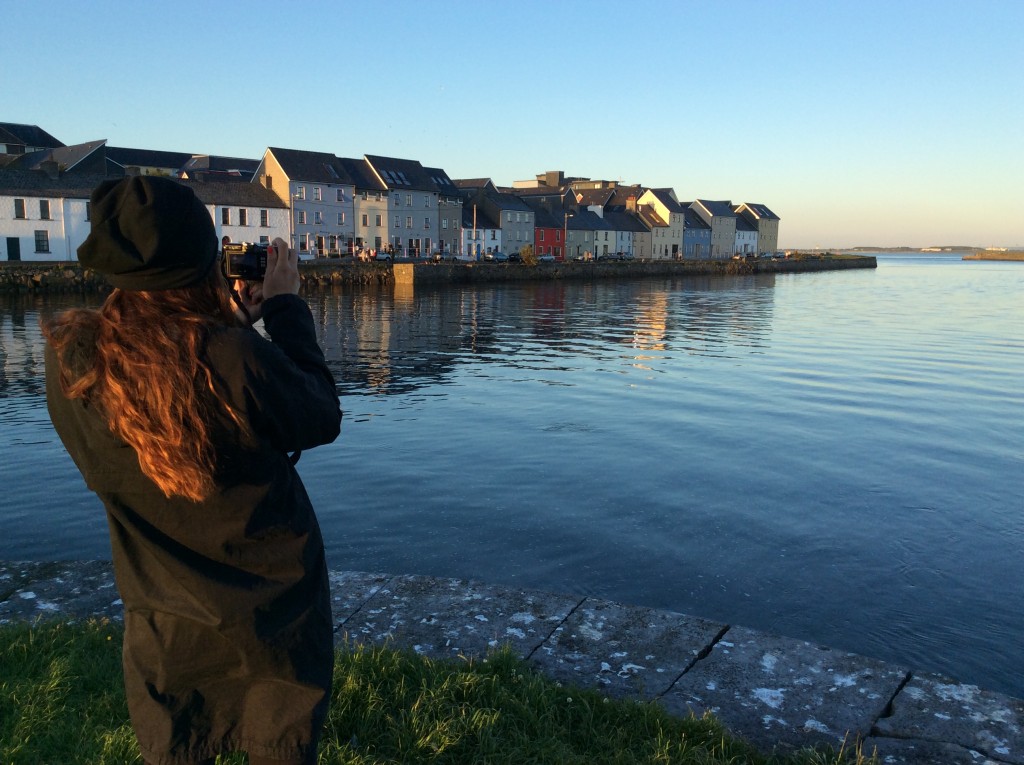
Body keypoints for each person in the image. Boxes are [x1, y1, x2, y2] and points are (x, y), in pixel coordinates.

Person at [43, 176, 342, 765]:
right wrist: (282, 309)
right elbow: (319, 414)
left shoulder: (71, 366)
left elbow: (167, 381)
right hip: (272, 613)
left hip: (164, 617)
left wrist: (228, 325)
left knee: (177, 746)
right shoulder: (230, 359)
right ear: (204, 260)